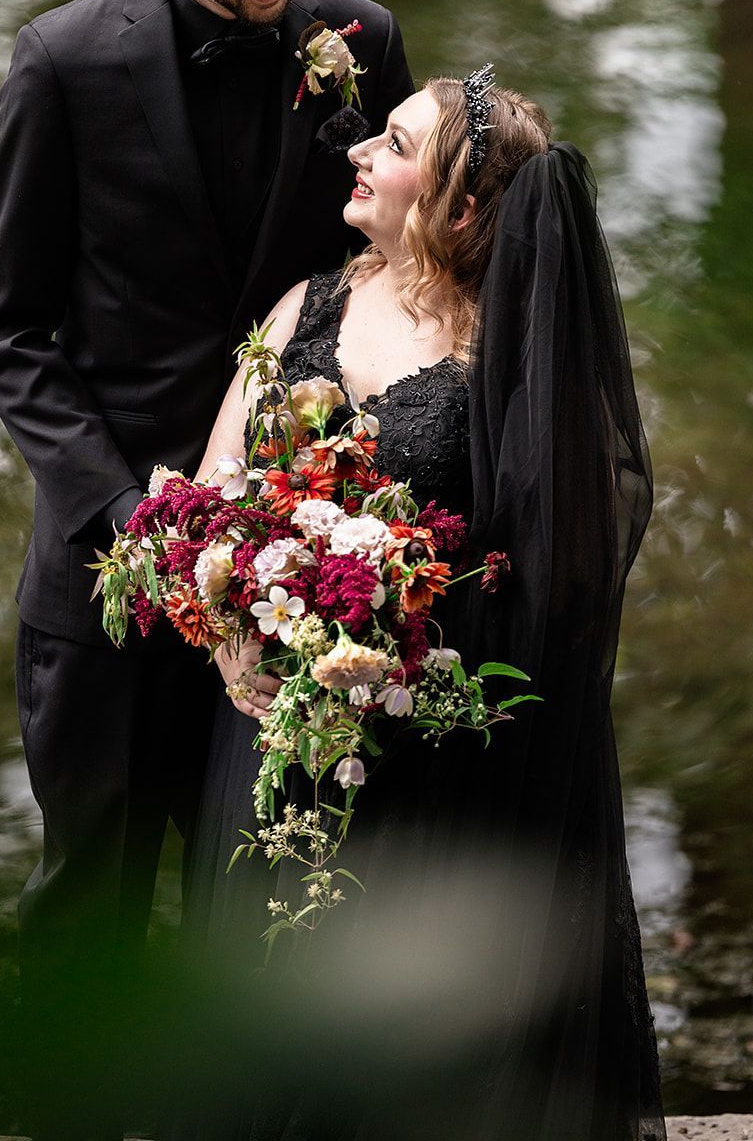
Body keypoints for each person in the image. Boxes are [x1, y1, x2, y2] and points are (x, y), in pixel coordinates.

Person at [0, 0, 414, 1141]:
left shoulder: (359, 36)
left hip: (295, 575)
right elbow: (5, 331)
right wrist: (124, 502)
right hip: (107, 577)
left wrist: (344, 498)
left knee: (269, 896)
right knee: (89, 900)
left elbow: (393, 273)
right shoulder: (61, 62)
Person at [173, 74, 666, 1140]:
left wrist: (396, 651)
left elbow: (553, 586)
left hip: (423, 766)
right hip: (266, 723)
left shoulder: (511, 362)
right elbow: (209, 491)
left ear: (455, 208)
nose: (356, 150)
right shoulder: (303, 306)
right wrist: (229, 636)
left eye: (391, 143)